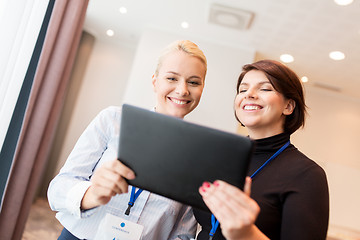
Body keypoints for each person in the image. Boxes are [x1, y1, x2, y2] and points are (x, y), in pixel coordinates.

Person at [48, 40, 207, 240]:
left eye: (193, 82)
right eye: (172, 78)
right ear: (155, 81)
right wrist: (92, 194)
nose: (183, 90)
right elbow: (57, 190)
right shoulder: (112, 120)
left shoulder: (199, 156)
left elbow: (183, 233)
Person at [194, 59, 329, 240]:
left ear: (288, 106)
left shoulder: (307, 174)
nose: (249, 94)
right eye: (243, 89)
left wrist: (247, 234)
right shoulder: (221, 158)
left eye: (264, 88)